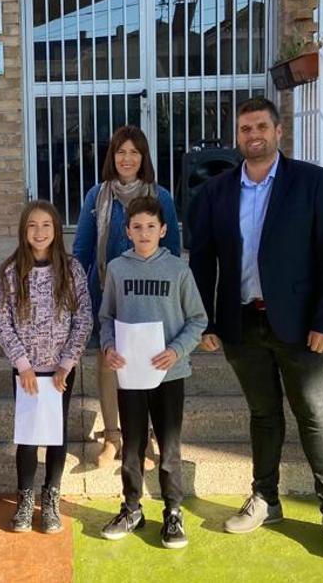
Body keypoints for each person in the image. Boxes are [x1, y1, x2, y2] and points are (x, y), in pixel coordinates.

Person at [188, 96, 323, 559]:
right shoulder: (216, 192)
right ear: (237, 136)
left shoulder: (313, 182)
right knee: (263, 415)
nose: (252, 135)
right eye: (244, 129)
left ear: (279, 131)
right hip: (242, 323)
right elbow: (201, 261)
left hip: (302, 327)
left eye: (261, 126)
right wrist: (206, 320)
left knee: (314, 415)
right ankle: (266, 497)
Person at [98, 196, 207, 549]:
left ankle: (173, 511)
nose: (144, 232)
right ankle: (131, 507)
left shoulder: (178, 270)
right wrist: (109, 347)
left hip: (169, 374)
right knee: (132, 445)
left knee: (169, 446)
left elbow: (198, 320)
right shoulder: (117, 268)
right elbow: (105, 318)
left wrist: (177, 350)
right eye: (136, 226)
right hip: (130, 375)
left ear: (163, 230)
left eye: (150, 226)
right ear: (127, 231)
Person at [72, 125, 181, 469]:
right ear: (112, 157)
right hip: (106, 293)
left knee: (147, 362)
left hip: (150, 297)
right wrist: (74, 294)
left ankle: (144, 436)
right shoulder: (97, 196)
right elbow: (82, 249)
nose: (127, 158)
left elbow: (174, 250)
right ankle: (112, 436)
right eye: (121, 151)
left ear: (144, 157)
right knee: (108, 361)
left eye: (134, 152)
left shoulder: (160, 196)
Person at [0, 200, 92, 534]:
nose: (39, 232)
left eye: (46, 225)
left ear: (56, 229)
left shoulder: (71, 269)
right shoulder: (11, 271)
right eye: (32, 225)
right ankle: (24, 499)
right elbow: (2, 321)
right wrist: (23, 365)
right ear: (24, 229)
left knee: (55, 435)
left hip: (60, 371)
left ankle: (50, 498)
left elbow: (84, 319)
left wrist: (67, 363)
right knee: (28, 436)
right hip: (27, 371)